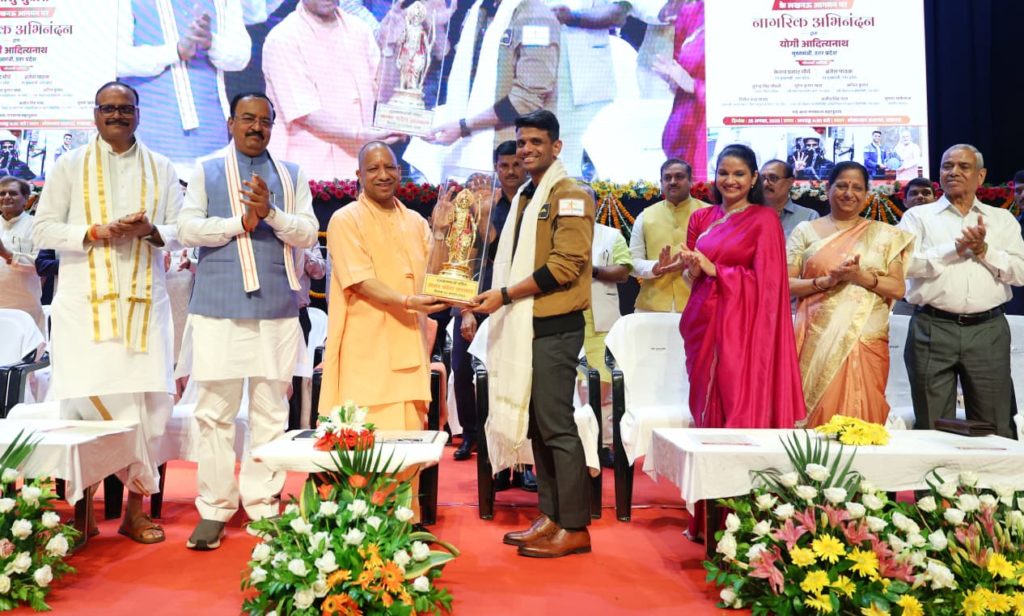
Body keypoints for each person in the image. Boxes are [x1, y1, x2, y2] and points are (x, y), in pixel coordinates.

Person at [32, 81, 183, 544]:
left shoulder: (162, 166)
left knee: (147, 410)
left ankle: (135, 512)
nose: (117, 115)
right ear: (95, 114)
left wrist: (151, 230)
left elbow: (182, 229)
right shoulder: (69, 165)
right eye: (108, 108)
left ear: (138, 113)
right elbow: (42, 230)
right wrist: (94, 232)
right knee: (84, 409)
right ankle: (84, 514)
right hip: (85, 313)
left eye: (125, 108)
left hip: (144, 312)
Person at [178, 92, 318, 550]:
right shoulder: (206, 170)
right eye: (247, 119)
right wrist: (240, 222)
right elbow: (187, 229)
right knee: (214, 412)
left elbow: (307, 233)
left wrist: (270, 213)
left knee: (270, 411)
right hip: (217, 304)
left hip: (275, 306)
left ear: (272, 126)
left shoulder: (292, 174)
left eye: (264, 121)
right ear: (230, 123)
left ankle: (263, 505)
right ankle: (214, 508)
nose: (256, 127)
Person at [473, 110, 593, 558]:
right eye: (522, 142)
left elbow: (566, 266)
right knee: (540, 426)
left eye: (536, 142)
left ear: (556, 147)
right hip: (528, 327)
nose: (526, 150)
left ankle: (575, 526)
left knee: (557, 425)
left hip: (554, 326)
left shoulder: (570, 194)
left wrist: (504, 295)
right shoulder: (526, 195)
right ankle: (551, 515)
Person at [670, 144, 805, 539]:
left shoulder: (764, 220)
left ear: (753, 179)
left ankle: (742, 522)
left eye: (739, 174)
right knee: (706, 414)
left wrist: (718, 271)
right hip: (703, 326)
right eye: (723, 172)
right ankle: (707, 520)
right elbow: (693, 278)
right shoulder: (703, 217)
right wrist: (686, 268)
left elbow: (770, 285)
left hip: (742, 335)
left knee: (737, 410)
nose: (730, 181)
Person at [321, 141, 446, 519]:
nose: (383, 175)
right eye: (373, 168)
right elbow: (359, 281)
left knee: (407, 447)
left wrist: (442, 232)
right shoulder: (345, 219)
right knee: (364, 446)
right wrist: (408, 301)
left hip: (408, 346)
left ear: (400, 172)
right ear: (358, 175)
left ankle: (401, 528)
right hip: (365, 353)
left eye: (389, 167)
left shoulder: (416, 222)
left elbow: (435, 278)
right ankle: (360, 528)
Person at [896, 144, 1024, 438]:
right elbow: (904, 265)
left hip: (988, 330)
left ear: (981, 176)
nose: (953, 172)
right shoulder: (918, 217)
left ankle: (996, 473)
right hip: (931, 327)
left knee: (995, 426)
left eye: (963, 166)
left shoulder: (1001, 219)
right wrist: (954, 249)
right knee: (932, 427)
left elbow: (1020, 273)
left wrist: (984, 251)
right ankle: (935, 472)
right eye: (947, 166)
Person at [787, 162, 914, 427]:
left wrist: (860, 276)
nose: (849, 193)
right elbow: (785, 284)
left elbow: (898, 288)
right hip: (816, 336)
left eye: (857, 188)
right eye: (842, 185)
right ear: (827, 189)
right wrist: (825, 281)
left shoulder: (884, 235)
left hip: (865, 336)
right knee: (816, 416)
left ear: (867, 194)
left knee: (862, 414)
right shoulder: (805, 231)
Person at [411, 0, 559, 178]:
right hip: (466, 152)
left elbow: (527, 100)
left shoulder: (537, 18)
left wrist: (465, 125)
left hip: (512, 158)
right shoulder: (480, 10)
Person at [263, 0, 399, 181]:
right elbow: (306, 113)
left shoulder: (359, 30)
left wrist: (389, 47)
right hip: (306, 172)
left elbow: (384, 93)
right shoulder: (282, 38)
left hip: (358, 167)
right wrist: (360, 135)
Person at [117, 0, 251, 175]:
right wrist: (175, 51)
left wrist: (211, 43)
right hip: (149, 142)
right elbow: (115, 58)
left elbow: (241, 56)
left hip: (214, 140)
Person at [450, 140, 520, 462]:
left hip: (513, 302)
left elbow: (506, 253)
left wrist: (485, 218)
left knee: (508, 373)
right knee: (462, 368)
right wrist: (465, 310)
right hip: (472, 300)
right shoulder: (477, 204)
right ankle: (471, 434)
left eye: (516, 164)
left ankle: (508, 439)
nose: (510, 171)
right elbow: (463, 259)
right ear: (496, 168)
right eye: (504, 165)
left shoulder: (530, 206)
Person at [581, 184, 631, 467]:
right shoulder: (555, 233)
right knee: (572, 391)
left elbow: (623, 271)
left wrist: (594, 270)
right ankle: (576, 447)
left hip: (601, 323)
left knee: (598, 389)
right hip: (565, 321)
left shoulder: (611, 235)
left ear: (595, 202)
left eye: (586, 199)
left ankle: (599, 446)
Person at [630, 158, 708, 312]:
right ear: (661, 182)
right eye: (667, 178)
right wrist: (656, 267)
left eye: (679, 176)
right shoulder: (645, 216)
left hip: (698, 305)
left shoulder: (709, 214)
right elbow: (632, 262)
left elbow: (721, 262)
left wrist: (693, 263)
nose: (672, 182)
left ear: (691, 181)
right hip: (652, 307)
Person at [658, 0, 705, 180]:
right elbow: (680, 62)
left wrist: (693, 85)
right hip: (683, 129)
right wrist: (674, 79)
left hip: (710, 134)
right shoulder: (692, 10)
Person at [289, 246, 327, 430]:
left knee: (297, 376)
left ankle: (293, 428)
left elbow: (320, 271)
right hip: (269, 313)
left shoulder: (307, 238)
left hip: (299, 314)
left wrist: (301, 251)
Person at [0, 176, 44, 331]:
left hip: (25, 307)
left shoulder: (37, 226)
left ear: (26, 198)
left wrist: (6, 254)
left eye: (12, 193)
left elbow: (40, 264)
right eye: (2, 193)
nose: (6, 197)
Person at [760, 159, 819, 238]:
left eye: (773, 178)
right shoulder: (750, 215)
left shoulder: (809, 217)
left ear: (790, 182)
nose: (765, 183)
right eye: (762, 178)